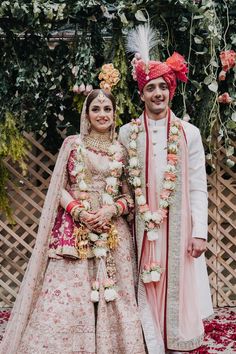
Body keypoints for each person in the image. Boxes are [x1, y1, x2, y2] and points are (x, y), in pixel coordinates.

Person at [0, 87, 145, 354]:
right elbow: (59, 189)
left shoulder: (122, 151)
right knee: (71, 295)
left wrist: (111, 210)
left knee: (117, 295)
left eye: (107, 109)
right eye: (96, 109)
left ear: (114, 114)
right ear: (86, 114)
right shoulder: (72, 144)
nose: (102, 114)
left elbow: (130, 196)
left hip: (113, 234)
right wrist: (81, 212)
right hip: (75, 231)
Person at [118, 25, 213, 354]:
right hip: (139, 227)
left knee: (177, 282)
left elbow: (199, 186)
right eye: (151, 88)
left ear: (171, 91)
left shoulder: (190, 133)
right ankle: (149, 342)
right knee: (145, 282)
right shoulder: (125, 134)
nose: (157, 93)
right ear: (141, 93)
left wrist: (199, 231)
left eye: (163, 87)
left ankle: (175, 340)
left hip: (180, 225)